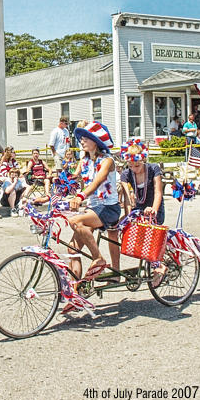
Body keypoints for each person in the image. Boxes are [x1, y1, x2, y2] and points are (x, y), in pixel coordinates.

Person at [67, 122, 120, 285]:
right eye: (81, 139)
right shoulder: (84, 161)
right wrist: (58, 186)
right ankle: (76, 290)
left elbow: (98, 180)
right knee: (72, 249)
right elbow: (73, 178)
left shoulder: (107, 160)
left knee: (76, 221)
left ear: (95, 141)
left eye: (85, 138)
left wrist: (81, 196)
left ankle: (98, 259)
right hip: (93, 207)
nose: (81, 141)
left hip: (108, 207)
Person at [119, 139, 165, 280]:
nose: (134, 168)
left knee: (148, 233)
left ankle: (159, 266)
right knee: (122, 230)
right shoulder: (126, 174)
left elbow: (158, 192)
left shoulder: (153, 169)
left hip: (154, 207)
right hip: (138, 209)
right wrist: (128, 217)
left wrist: (154, 209)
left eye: (137, 165)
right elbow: (127, 199)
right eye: (131, 165)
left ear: (143, 160)